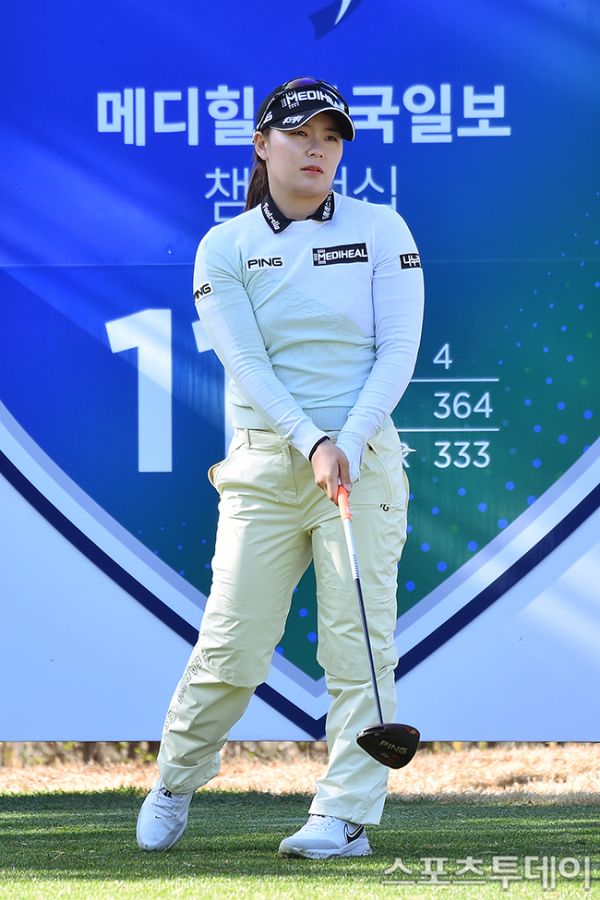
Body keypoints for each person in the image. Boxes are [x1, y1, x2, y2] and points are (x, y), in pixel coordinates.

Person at [136, 76, 424, 859]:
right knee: (232, 646)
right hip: (265, 466)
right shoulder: (225, 246)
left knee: (358, 645)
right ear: (263, 145)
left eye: (331, 137)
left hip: (362, 463)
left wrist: (349, 439)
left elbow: (399, 349)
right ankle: (176, 779)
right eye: (300, 134)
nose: (318, 149)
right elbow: (247, 363)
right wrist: (311, 441)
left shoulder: (382, 228)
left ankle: (345, 816)